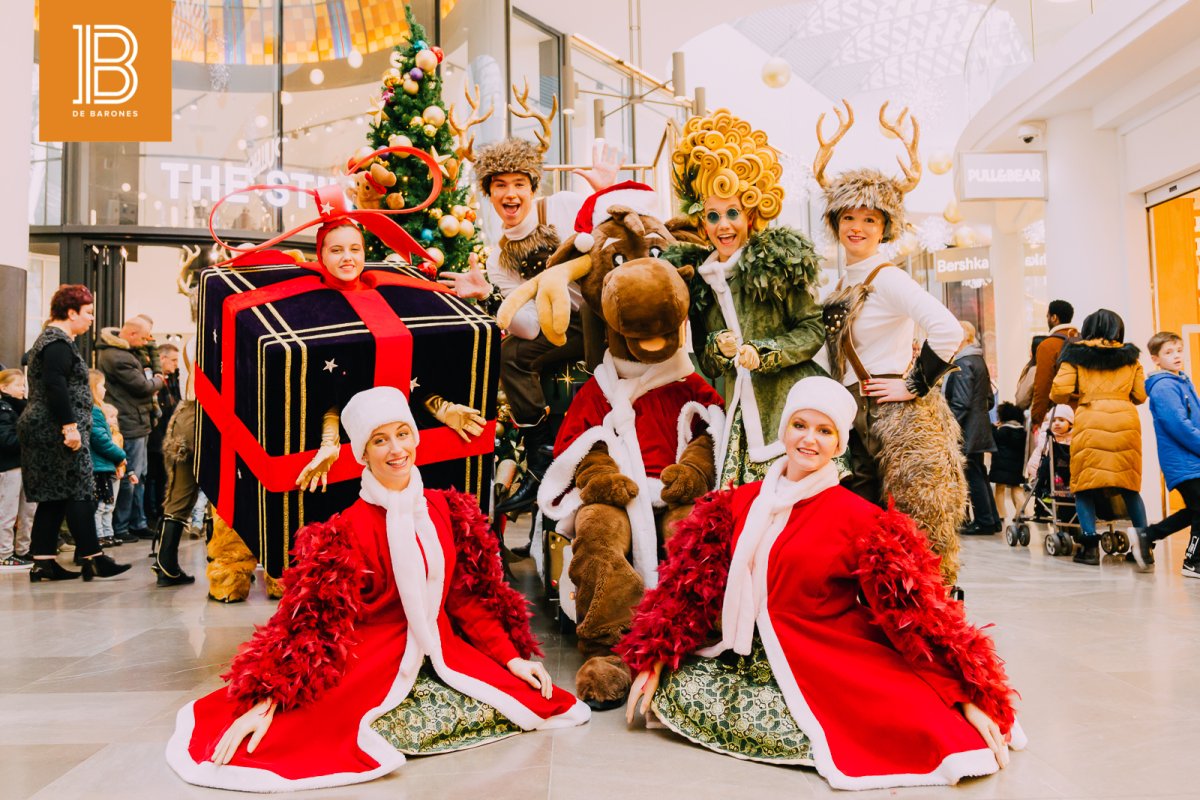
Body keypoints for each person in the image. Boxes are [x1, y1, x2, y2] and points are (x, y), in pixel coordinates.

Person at [167, 386, 588, 792]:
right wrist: (269, 700)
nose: (396, 449)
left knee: (525, 702)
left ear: (416, 437)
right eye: (380, 440)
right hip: (370, 661)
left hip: (442, 651)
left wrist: (511, 658)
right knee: (312, 736)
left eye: (402, 434)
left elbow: (466, 599)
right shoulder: (345, 530)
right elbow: (309, 625)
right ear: (362, 454)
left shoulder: (446, 510)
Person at [618, 376, 1023, 790]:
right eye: (800, 425)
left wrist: (965, 693)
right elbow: (689, 588)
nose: (809, 439)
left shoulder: (862, 519)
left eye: (824, 431)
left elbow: (915, 614)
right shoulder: (737, 503)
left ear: (838, 443)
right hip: (744, 659)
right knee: (676, 686)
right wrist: (656, 654)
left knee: (923, 728)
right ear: (784, 431)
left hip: (823, 660)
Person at [812, 101, 966, 584]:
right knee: (858, 514)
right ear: (836, 223)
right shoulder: (844, 282)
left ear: (884, 228)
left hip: (888, 412)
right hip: (853, 411)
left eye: (870, 220)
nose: (857, 227)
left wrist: (913, 384)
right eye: (848, 217)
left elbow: (949, 329)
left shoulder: (888, 277)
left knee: (903, 517)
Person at [444, 129, 618, 516]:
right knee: (509, 353)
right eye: (500, 185)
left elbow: (615, 231)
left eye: (519, 184)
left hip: (600, 314)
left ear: (533, 187)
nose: (511, 193)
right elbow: (529, 329)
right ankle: (540, 456)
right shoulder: (497, 260)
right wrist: (488, 296)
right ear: (489, 193)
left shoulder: (563, 206)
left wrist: (606, 192)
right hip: (561, 330)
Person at [669, 109, 825, 485]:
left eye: (733, 213)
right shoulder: (700, 282)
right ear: (702, 222)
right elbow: (708, 361)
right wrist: (717, 348)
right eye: (713, 216)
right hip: (740, 414)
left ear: (750, 215)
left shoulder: (778, 262)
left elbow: (812, 329)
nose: (723, 225)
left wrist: (766, 352)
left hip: (790, 408)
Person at [18, 285, 131, 583]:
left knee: (55, 495)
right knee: (79, 488)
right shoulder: (57, 343)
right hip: (56, 428)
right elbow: (55, 385)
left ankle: (43, 562)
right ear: (71, 313)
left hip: (48, 426)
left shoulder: (53, 341)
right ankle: (93, 558)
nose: (92, 318)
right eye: (88, 312)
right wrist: (70, 427)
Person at [1050, 308, 1147, 566]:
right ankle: (1144, 547)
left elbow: (1058, 392)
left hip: (1090, 420)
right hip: (1125, 422)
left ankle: (1090, 547)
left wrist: (1080, 396)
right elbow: (1140, 395)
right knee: (1129, 487)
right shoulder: (1131, 358)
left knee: (1084, 486)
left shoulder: (1075, 354)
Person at [1136, 331, 1200, 576]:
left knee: (1195, 509)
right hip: (1182, 461)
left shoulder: (1181, 381)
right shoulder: (1163, 386)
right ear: (1156, 359)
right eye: (1169, 352)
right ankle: (1193, 561)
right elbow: (1178, 426)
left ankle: (1148, 535)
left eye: (1179, 350)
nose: (1176, 356)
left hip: (1192, 459)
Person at [97, 315, 166, 543]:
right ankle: (122, 526)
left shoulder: (128, 352)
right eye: (145, 338)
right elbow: (143, 386)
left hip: (138, 420)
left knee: (140, 475)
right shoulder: (117, 357)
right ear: (132, 334)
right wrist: (159, 379)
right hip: (129, 422)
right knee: (130, 477)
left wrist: (152, 351)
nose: (146, 342)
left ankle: (138, 522)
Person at [947, 321, 999, 535]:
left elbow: (961, 402)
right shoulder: (977, 360)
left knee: (973, 475)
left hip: (967, 430)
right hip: (978, 428)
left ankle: (984, 521)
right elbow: (989, 400)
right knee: (979, 473)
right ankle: (991, 519)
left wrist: (948, 426)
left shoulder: (963, 363)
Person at [88, 370, 128, 551]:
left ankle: (105, 534)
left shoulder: (94, 410)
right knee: (100, 505)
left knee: (106, 505)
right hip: (99, 467)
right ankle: (98, 536)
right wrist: (121, 456)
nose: (105, 389)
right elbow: (101, 440)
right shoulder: (95, 411)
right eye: (102, 386)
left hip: (102, 465)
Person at [144, 341, 181, 532]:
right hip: (154, 437)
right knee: (152, 478)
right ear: (162, 358)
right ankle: (150, 516)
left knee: (162, 478)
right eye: (173, 360)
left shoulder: (171, 381)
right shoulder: (152, 380)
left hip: (165, 437)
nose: (176, 364)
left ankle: (161, 513)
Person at [0, 369, 34, 569]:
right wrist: (30, 438)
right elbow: (6, 440)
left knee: (28, 511)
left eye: (23, 385)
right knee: (8, 511)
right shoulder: (3, 409)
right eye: (18, 385)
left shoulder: (23, 408)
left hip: (25, 465)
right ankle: (4, 553)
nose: (23, 389)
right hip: (9, 466)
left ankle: (23, 549)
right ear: (4, 388)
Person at [1031, 300, 1078, 432]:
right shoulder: (1083, 342)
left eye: (1047, 316)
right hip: (1083, 414)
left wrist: (1037, 418)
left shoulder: (1048, 346)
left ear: (1054, 318)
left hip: (1059, 416)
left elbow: (1043, 385)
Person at [990, 402, 1027, 527]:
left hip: (1001, 466)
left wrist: (993, 427)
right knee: (1016, 488)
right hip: (1016, 467)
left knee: (999, 489)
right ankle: (1020, 511)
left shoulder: (1002, 431)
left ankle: (1000, 513)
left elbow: (993, 438)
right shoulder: (1022, 432)